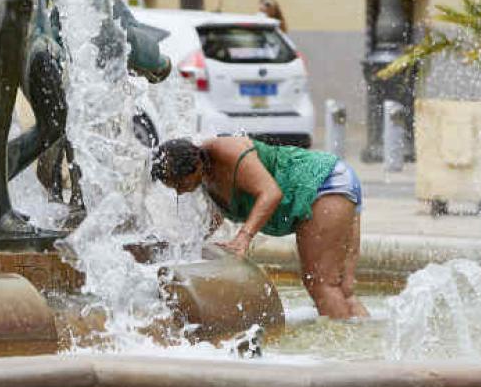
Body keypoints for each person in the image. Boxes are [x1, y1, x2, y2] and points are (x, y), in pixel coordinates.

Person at [151, 136, 368, 319]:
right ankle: (362, 351)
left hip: (324, 183)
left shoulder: (228, 151)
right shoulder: (205, 175)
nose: (180, 192)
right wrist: (189, 245)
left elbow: (270, 193)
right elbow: (215, 216)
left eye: (180, 184)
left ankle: (338, 355)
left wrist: (244, 237)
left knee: (322, 284)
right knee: (344, 291)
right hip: (334, 182)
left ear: (196, 166)